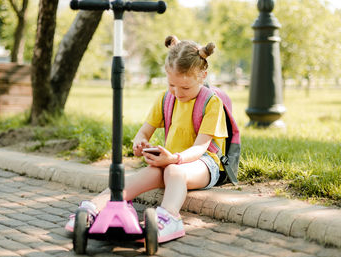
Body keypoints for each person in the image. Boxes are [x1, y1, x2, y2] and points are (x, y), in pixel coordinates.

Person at [65, 35, 228, 243]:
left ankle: (170, 217)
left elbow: (200, 148)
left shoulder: (211, 103)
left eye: (184, 88)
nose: (177, 92)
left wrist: (174, 159)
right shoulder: (166, 98)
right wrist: (140, 142)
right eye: (171, 85)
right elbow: (144, 132)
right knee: (135, 180)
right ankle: (94, 208)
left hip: (203, 164)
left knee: (174, 171)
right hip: (168, 161)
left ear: (202, 76)